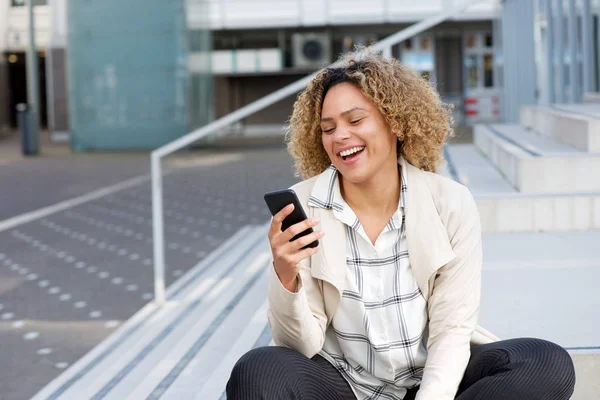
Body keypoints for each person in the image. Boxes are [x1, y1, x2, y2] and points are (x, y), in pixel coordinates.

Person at [226, 51, 576, 400]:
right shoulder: (303, 206)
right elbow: (299, 346)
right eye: (328, 128)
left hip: (428, 380)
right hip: (343, 386)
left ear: (395, 122)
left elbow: (451, 328)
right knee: (259, 369)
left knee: (545, 363)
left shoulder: (448, 203)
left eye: (355, 120)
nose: (339, 136)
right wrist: (285, 275)